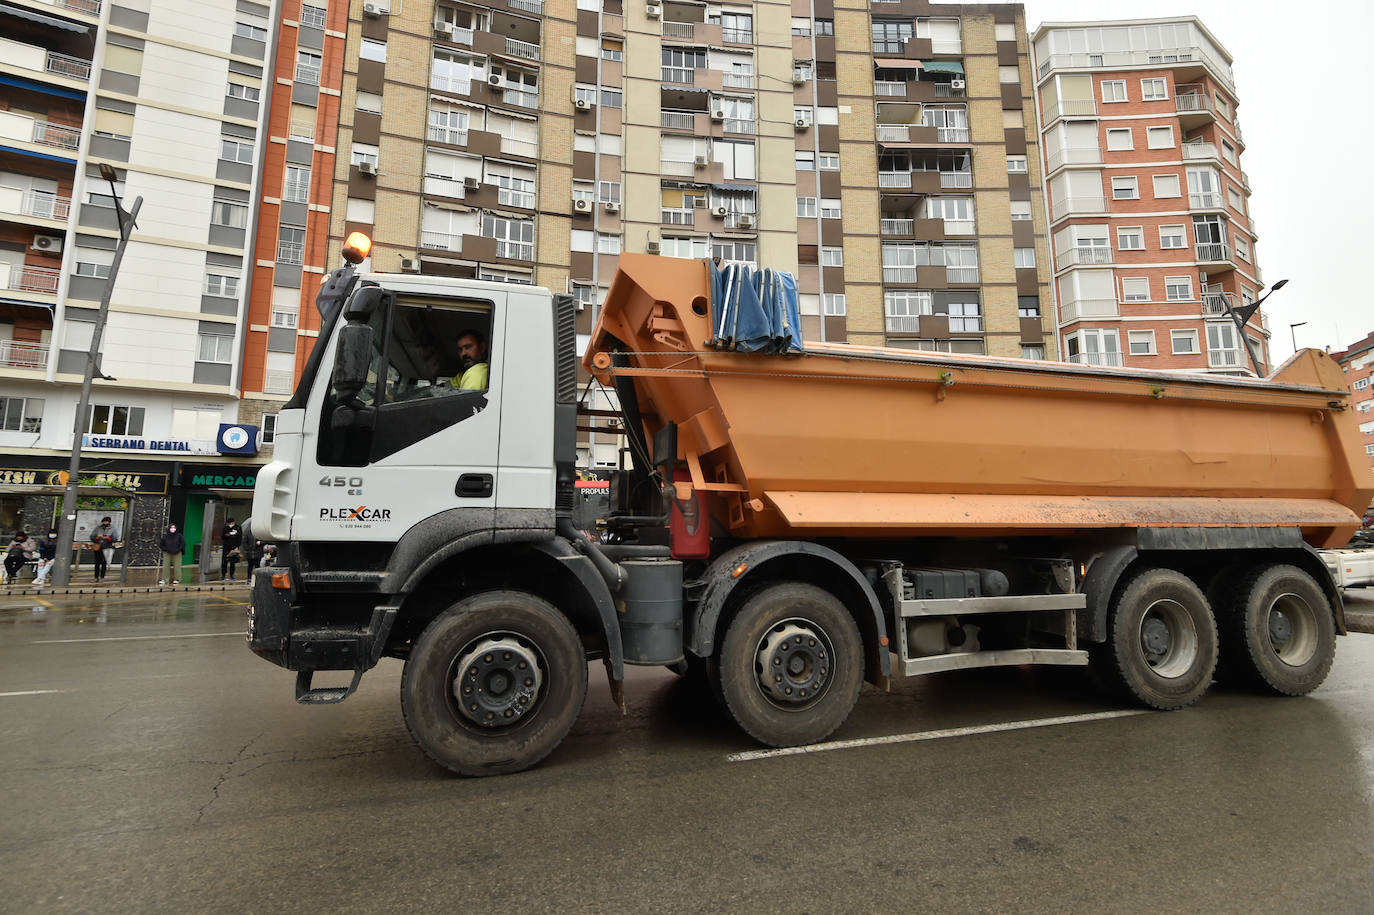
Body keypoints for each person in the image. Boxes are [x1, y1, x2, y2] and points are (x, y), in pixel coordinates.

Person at [89, 517, 118, 582]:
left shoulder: (112, 528)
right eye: (104, 521)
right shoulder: (98, 528)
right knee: (97, 562)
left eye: (106, 522)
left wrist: (108, 538)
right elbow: (92, 536)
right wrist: (97, 538)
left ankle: (102, 577)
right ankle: (96, 577)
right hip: (98, 546)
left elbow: (115, 538)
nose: (105, 523)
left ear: (109, 522)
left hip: (107, 547)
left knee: (104, 562)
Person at [221, 516, 243, 581]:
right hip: (226, 547)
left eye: (231, 523)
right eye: (229, 523)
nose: (230, 524)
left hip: (234, 548)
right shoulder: (225, 528)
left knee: (233, 562)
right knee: (224, 562)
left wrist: (237, 547)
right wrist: (225, 535)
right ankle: (223, 575)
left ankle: (231, 575)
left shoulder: (238, 528)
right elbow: (222, 537)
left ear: (234, 522)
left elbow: (240, 538)